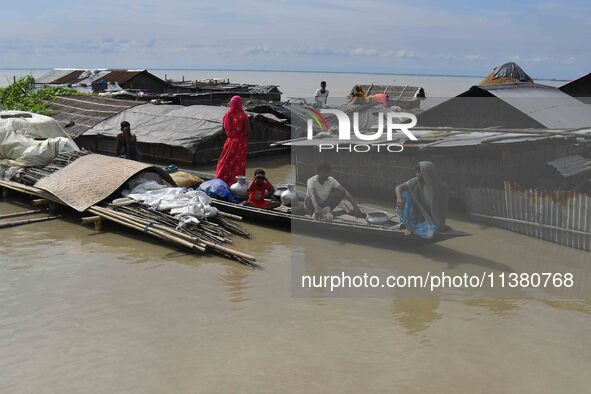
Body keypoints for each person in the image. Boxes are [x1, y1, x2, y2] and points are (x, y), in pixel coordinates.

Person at [394, 161, 449, 238]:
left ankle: (416, 227)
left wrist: (441, 224)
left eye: (419, 172)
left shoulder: (442, 187)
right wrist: (399, 198)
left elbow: (442, 208)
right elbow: (399, 187)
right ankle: (408, 223)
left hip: (431, 218)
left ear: (426, 173)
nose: (417, 174)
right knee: (405, 194)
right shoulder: (416, 181)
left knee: (431, 230)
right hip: (418, 215)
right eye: (416, 172)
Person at [215, 96, 251, 186]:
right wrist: (241, 135)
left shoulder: (227, 115)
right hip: (240, 142)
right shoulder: (243, 115)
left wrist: (231, 135)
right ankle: (235, 183)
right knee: (238, 163)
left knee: (225, 161)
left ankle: (222, 178)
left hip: (229, 141)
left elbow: (223, 130)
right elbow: (248, 131)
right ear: (240, 104)